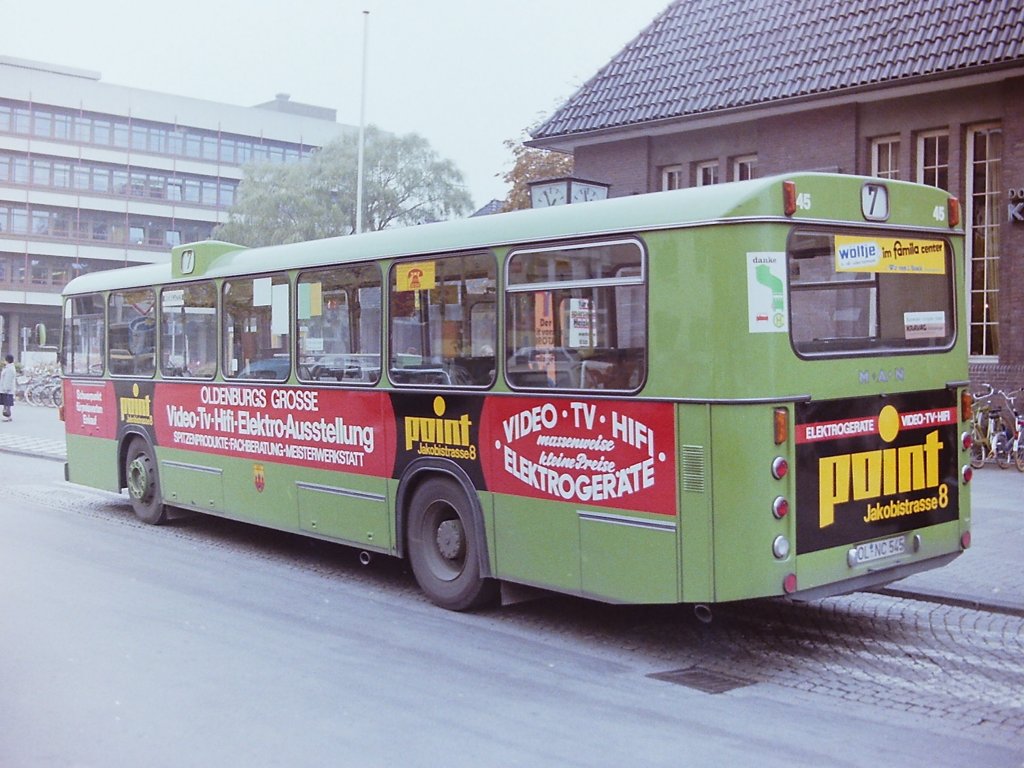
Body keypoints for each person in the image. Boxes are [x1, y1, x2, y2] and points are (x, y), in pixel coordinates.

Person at [0, 354, 15, 421]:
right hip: (7, 389)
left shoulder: (9, 369)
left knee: (6, 403)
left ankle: (7, 416)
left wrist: (5, 388)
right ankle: (8, 416)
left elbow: (7, 379)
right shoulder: (9, 367)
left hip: (6, 389)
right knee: (6, 403)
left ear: (7, 360)